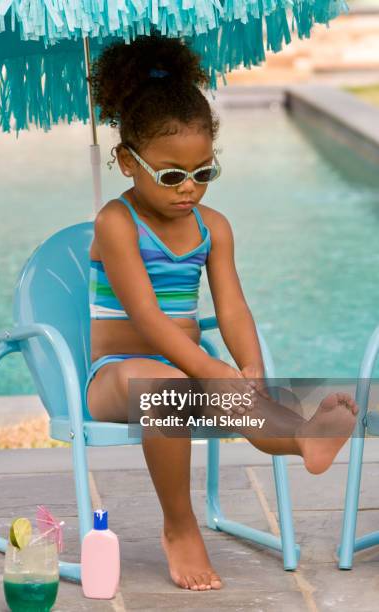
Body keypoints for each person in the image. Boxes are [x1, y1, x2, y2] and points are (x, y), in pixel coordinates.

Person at [85, 34, 358, 592]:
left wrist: (248, 363)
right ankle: (180, 527)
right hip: (114, 375)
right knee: (167, 384)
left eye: (203, 173)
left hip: (189, 369)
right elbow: (150, 318)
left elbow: (231, 306)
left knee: (229, 394)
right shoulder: (116, 222)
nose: (188, 188)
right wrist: (211, 370)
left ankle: (306, 437)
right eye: (170, 175)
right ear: (125, 162)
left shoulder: (214, 227)